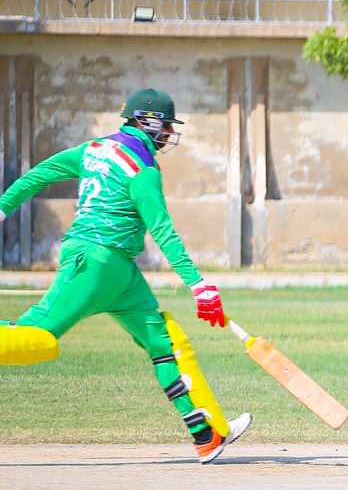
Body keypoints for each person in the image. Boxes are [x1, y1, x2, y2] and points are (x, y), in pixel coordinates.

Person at [0, 89, 251, 463]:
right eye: (166, 126)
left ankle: (206, 436)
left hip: (120, 273)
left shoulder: (94, 149)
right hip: (93, 263)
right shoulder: (142, 169)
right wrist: (199, 285)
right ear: (148, 122)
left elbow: (40, 174)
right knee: (37, 338)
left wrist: (3, 208)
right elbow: (162, 230)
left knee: (166, 342)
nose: (169, 134)